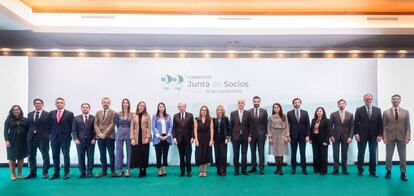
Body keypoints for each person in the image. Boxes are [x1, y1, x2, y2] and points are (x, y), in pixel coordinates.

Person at [383, 94, 411, 181]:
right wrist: (385, 137)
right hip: (390, 137)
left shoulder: (405, 112)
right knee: (389, 155)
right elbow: (384, 126)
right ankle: (388, 171)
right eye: (394, 99)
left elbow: (408, 126)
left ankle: (403, 173)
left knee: (402, 156)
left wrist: (408, 137)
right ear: (391, 101)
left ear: (400, 100)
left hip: (402, 137)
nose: (395, 100)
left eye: (397, 99)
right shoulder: (386, 112)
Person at [354, 93, 383, 177]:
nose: (368, 101)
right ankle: (360, 170)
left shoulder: (378, 110)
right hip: (361, 135)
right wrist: (356, 134)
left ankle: (372, 171)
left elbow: (380, 124)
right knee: (361, 152)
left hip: (374, 136)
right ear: (364, 100)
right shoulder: (359, 110)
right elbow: (356, 123)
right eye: (366, 99)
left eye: (370, 99)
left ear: (372, 100)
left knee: (373, 153)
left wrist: (380, 134)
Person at [25, 98, 50, 179]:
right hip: (31, 138)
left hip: (43, 138)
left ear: (42, 104)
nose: (38, 104)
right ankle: (32, 173)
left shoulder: (48, 114)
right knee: (31, 156)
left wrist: (48, 135)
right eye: (36, 103)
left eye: (39, 103)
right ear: (34, 105)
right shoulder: (30, 114)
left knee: (45, 155)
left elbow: (51, 126)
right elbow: (28, 126)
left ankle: (45, 172)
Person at [49, 98, 74, 180]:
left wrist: (68, 134)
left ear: (64, 104)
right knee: (55, 156)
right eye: (58, 103)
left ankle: (66, 173)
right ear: (55, 104)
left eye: (61, 103)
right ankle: (56, 173)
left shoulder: (70, 114)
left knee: (66, 155)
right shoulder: (51, 113)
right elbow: (49, 125)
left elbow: (72, 127)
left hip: (65, 138)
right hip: (54, 138)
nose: (59, 104)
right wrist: (51, 135)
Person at [4, 105, 28, 180]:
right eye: (14, 110)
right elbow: (5, 131)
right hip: (12, 141)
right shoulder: (9, 119)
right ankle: (13, 174)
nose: (16, 111)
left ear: (20, 110)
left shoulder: (25, 119)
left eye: (17, 109)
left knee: (21, 157)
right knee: (12, 157)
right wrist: (7, 140)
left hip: (23, 141)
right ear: (12, 111)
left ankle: (20, 173)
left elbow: (28, 130)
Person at [330, 99, 354, 175]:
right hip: (335, 137)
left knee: (344, 153)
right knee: (335, 154)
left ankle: (344, 169)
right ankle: (335, 169)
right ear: (338, 105)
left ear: (345, 105)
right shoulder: (333, 114)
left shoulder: (350, 114)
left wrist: (350, 137)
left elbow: (352, 126)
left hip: (346, 137)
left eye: (343, 104)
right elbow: (330, 126)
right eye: (340, 104)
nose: (341, 105)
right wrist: (331, 136)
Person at [286, 98, 310, 175]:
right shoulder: (289, 113)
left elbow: (308, 125)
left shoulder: (305, 112)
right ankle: (293, 169)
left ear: (300, 103)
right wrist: (288, 135)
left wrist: (307, 135)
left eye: (298, 102)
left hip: (303, 136)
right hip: (293, 136)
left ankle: (304, 169)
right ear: (293, 104)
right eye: (295, 102)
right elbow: (287, 125)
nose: (297, 103)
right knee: (293, 153)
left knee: (303, 153)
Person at [72, 103, 96, 178]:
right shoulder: (76, 118)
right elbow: (74, 130)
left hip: (91, 141)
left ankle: (89, 172)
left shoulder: (93, 118)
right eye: (83, 107)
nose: (85, 108)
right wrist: (75, 139)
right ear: (81, 108)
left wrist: (94, 138)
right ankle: (82, 172)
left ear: (89, 109)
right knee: (80, 157)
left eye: (87, 107)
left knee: (90, 157)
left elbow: (95, 130)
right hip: (79, 141)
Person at [94, 97, 116, 178]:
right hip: (100, 137)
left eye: (107, 102)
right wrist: (99, 133)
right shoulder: (97, 112)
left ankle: (113, 171)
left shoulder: (113, 112)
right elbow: (95, 124)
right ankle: (104, 171)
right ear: (101, 103)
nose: (105, 103)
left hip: (110, 136)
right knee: (102, 154)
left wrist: (105, 134)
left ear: (109, 103)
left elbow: (112, 124)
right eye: (104, 102)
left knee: (111, 154)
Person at [229, 99, 252, 176]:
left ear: (244, 104)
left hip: (245, 137)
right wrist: (230, 137)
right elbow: (231, 126)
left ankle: (244, 170)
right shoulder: (233, 113)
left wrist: (250, 136)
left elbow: (250, 126)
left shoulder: (248, 113)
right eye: (239, 103)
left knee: (244, 154)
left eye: (242, 103)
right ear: (237, 104)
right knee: (236, 154)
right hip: (235, 137)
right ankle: (236, 170)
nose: (240, 104)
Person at [172, 102, 194, 177]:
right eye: (180, 106)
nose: (181, 108)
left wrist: (192, 137)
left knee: (188, 157)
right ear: (178, 108)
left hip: (188, 139)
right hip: (179, 139)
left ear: (185, 107)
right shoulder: (175, 116)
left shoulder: (190, 115)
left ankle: (189, 171)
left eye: (183, 106)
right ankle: (182, 171)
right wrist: (174, 137)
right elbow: (174, 128)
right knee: (181, 157)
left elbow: (192, 128)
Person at [130, 101, 152, 177]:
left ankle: (144, 169)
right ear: (138, 106)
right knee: (138, 154)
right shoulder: (134, 115)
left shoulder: (147, 115)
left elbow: (149, 127)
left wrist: (147, 137)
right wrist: (132, 138)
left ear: (145, 107)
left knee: (144, 154)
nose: (142, 107)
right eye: (140, 105)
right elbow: (132, 127)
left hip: (144, 137)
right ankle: (140, 170)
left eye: (143, 106)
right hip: (136, 137)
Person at [267, 103, 289, 175]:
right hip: (274, 136)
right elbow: (269, 128)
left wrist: (286, 136)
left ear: (280, 108)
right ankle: (277, 168)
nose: (276, 109)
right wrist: (270, 137)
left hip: (282, 136)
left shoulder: (284, 116)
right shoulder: (271, 117)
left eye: (277, 107)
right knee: (275, 153)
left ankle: (280, 169)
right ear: (273, 109)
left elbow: (287, 127)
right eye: (275, 107)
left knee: (280, 153)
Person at [248, 96, 268, 175]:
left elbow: (266, 123)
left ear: (260, 102)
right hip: (252, 135)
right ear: (253, 102)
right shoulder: (249, 111)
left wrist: (266, 134)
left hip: (261, 135)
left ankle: (261, 168)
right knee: (252, 152)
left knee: (261, 151)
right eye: (255, 101)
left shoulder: (264, 111)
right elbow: (248, 125)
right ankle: (253, 167)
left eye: (257, 101)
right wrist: (249, 135)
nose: (256, 103)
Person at [152, 102, 172, 176]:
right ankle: (159, 168)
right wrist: (159, 136)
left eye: (162, 107)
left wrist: (167, 135)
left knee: (165, 153)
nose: (161, 108)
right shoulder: (155, 116)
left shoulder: (168, 116)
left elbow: (170, 127)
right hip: (158, 138)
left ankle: (164, 167)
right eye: (160, 107)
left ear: (164, 108)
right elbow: (153, 127)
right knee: (158, 154)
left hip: (167, 137)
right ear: (158, 108)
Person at [310, 107, 331, 175]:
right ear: (316, 112)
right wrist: (310, 139)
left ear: (323, 112)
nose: (319, 112)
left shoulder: (327, 120)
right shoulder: (313, 120)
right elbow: (311, 130)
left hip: (323, 140)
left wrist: (326, 141)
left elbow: (328, 131)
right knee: (316, 155)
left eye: (320, 111)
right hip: (315, 140)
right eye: (318, 111)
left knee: (323, 156)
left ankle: (323, 170)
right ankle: (316, 169)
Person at [194, 106, 214, 177]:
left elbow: (211, 130)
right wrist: (196, 139)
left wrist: (211, 140)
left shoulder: (210, 119)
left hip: (207, 138)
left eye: (205, 110)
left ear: (207, 111)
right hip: (199, 138)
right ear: (200, 111)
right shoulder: (196, 119)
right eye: (202, 110)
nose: (204, 111)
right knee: (200, 154)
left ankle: (205, 171)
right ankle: (201, 171)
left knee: (206, 154)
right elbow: (195, 130)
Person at [115, 98, 132, 177]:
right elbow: (117, 124)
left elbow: (132, 125)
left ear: (129, 104)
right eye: (124, 103)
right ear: (122, 104)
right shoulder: (118, 114)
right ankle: (120, 169)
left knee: (129, 151)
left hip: (129, 133)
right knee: (119, 152)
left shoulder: (132, 114)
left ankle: (128, 169)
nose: (125, 104)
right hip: (119, 134)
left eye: (126, 103)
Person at [213, 105, 230, 176]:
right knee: (217, 155)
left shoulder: (226, 118)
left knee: (223, 155)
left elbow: (228, 129)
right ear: (216, 111)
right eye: (218, 110)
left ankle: (223, 171)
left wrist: (227, 138)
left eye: (221, 110)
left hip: (223, 139)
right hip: (216, 139)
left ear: (223, 111)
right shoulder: (214, 119)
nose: (219, 111)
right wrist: (212, 139)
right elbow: (213, 130)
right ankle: (218, 170)